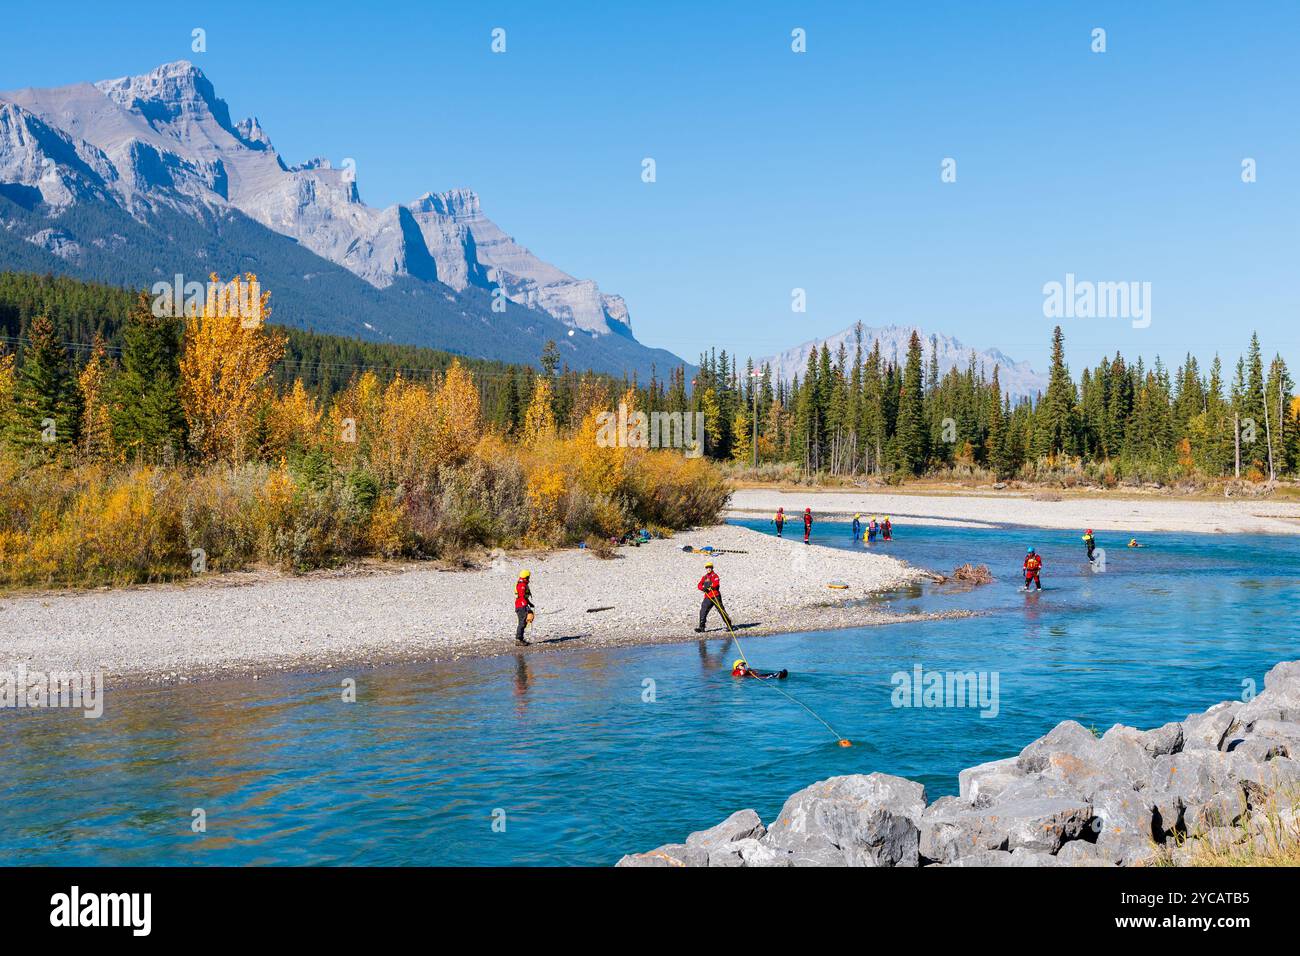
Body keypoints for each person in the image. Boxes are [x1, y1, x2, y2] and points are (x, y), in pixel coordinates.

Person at [695, 560, 728, 633]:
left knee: (721, 611)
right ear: (706, 569)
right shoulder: (704, 577)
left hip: (716, 596)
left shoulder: (715, 576)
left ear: (712, 568)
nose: (708, 569)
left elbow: (716, 583)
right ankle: (701, 627)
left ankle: (729, 625)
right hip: (708, 597)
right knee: (703, 611)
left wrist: (710, 586)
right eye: (707, 568)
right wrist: (703, 588)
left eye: (710, 567)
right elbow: (699, 585)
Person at [514, 570, 534, 645]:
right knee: (522, 623)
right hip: (521, 606)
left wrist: (530, 603)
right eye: (528, 577)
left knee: (524, 623)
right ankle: (518, 640)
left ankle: (520, 639)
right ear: (526, 577)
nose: (529, 579)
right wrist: (526, 606)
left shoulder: (522, 584)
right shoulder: (522, 585)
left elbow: (524, 598)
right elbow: (522, 597)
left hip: (521, 605)